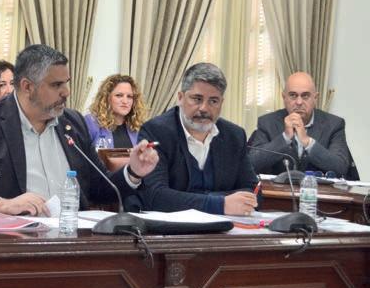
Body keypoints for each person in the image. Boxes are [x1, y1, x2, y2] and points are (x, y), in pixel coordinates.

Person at [0, 45, 159, 215]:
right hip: (8, 245)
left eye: (66, 82)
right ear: (27, 87)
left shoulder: (73, 123)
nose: (67, 92)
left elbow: (101, 189)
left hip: (74, 242)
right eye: (56, 85)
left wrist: (133, 172)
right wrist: (1, 204)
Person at [138, 63, 259, 215]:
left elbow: (253, 191)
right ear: (180, 98)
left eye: (213, 101)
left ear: (221, 102)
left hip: (226, 226)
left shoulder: (234, 135)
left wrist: (197, 200)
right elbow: (155, 196)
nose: (204, 108)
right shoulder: (156, 131)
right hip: (172, 227)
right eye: (197, 99)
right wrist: (219, 204)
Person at [247, 71, 357, 179]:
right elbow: (251, 164)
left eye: (305, 96)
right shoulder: (267, 122)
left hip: (318, 190)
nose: (299, 102)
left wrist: (307, 142)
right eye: (293, 95)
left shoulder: (334, 124)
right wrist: (285, 138)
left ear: (315, 98)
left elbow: (340, 167)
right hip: (276, 190)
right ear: (284, 97)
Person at [84, 74, 147, 148]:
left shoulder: (137, 127)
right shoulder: (91, 122)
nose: (125, 101)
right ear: (107, 98)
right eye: (119, 95)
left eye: (129, 96)